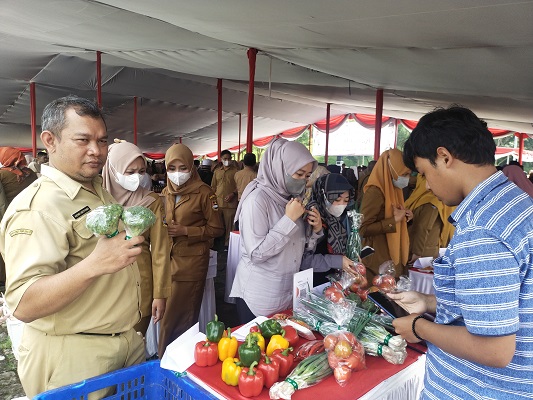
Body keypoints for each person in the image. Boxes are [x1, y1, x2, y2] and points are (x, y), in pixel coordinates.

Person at [0, 96, 145, 397]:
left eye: (102, 141)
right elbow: (24, 303)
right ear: (49, 141)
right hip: (75, 357)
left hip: (121, 343)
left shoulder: (94, 190)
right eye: (83, 140)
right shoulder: (38, 207)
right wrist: (94, 264)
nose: (96, 151)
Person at [389, 106, 533, 399]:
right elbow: (502, 302)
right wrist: (429, 302)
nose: (427, 185)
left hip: (479, 389)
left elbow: (494, 349)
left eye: (425, 173)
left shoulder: (483, 228)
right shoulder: (513, 203)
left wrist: (419, 328)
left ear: (444, 157)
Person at [230, 138, 322, 324]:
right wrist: (288, 220)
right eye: (298, 173)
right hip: (259, 298)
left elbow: (300, 251)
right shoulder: (257, 200)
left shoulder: (293, 199)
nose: (303, 180)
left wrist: (315, 230)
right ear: (280, 167)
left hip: (286, 296)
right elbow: (256, 253)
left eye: (307, 175)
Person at [158, 144, 224, 356]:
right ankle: (166, 359)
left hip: (191, 264)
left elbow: (217, 229)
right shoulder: (166, 192)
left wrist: (187, 230)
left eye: (182, 167)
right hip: (168, 263)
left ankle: (177, 360)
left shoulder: (205, 193)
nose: (177, 173)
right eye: (172, 167)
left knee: (181, 318)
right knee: (168, 316)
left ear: (191, 167)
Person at [102, 140, 171, 336]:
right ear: (113, 170)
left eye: (141, 172)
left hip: (141, 285)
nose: (137, 178)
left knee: (134, 341)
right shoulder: (99, 200)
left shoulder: (151, 201)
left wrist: (160, 294)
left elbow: (160, 251)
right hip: (105, 285)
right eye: (130, 172)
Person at [359, 149, 412, 280]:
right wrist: (393, 221)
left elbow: (394, 215)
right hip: (378, 259)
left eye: (408, 174)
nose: (406, 179)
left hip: (392, 256)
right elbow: (363, 229)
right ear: (391, 169)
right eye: (404, 174)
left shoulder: (395, 189)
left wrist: (405, 217)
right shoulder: (375, 192)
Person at [301, 173, 359, 285]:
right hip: (313, 284)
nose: (341, 204)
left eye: (346, 200)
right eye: (337, 199)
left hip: (332, 283)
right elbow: (305, 261)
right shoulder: (310, 217)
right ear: (323, 195)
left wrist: (350, 259)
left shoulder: (335, 219)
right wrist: (338, 261)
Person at [0, 147, 38, 287]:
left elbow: (1, 203)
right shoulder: (31, 173)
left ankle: (9, 281)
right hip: (31, 217)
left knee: (9, 251)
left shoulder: (1, 175)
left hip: (10, 219)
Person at [404, 174, 455, 262]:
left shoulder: (431, 200)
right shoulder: (443, 199)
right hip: (432, 250)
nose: (427, 186)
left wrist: (417, 253)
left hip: (423, 254)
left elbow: (424, 227)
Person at [211, 149, 238, 249]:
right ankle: (216, 244)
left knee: (229, 226)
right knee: (216, 224)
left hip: (230, 204)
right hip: (218, 203)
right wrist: (213, 201)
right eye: (225, 158)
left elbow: (238, 187)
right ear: (221, 159)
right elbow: (213, 187)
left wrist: (233, 194)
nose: (227, 160)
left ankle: (228, 245)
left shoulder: (236, 172)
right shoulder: (217, 172)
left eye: (229, 158)